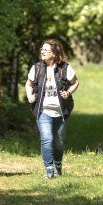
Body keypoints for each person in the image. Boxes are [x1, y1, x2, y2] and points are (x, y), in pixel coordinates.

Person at [25, 39, 79, 180]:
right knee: (47, 139)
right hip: (43, 111)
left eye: (46, 50)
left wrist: (68, 92)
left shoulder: (65, 68)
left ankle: (58, 165)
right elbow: (29, 84)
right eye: (42, 49)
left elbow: (75, 82)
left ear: (54, 53)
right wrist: (29, 95)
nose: (42, 51)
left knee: (58, 140)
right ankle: (49, 169)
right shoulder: (36, 68)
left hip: (62, 112)